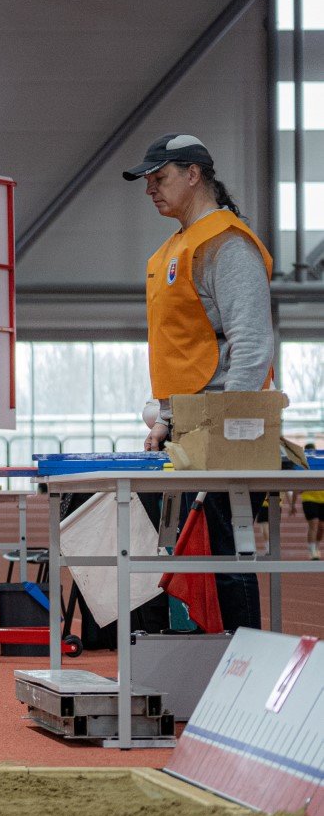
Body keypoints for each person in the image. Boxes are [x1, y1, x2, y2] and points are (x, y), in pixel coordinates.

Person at [128, 133, 271, 631]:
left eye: (159, 177)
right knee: (198, 562)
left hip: (226, 433)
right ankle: (207, 672)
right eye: (147, 180)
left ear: (194, 174)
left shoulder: (225, 245)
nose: (150, 188)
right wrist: (166, 419)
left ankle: (244, 675)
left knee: (226, 561)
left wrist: (231, 428)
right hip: (189, 432)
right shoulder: (174, 248)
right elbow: (183, 352)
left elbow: (251, 343)